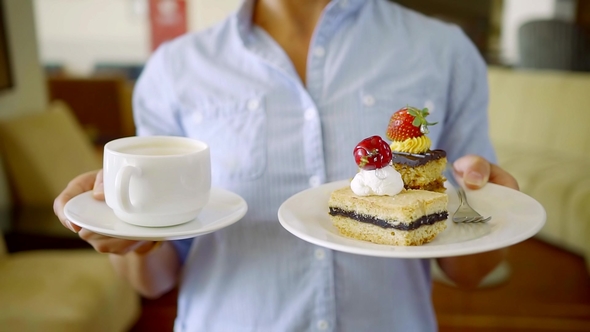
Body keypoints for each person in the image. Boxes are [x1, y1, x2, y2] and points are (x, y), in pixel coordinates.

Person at [54, 0, 519, 331]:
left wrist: (491, 210)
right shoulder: (173, 70)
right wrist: (126, 231)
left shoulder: (443, 50)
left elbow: (472, 271)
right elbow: (154, 282)